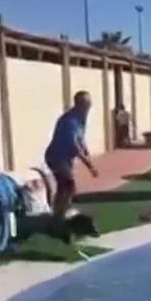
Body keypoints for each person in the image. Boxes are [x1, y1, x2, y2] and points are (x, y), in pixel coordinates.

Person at [44, 91, 99, 222]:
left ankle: (60, 212)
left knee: (64, 186)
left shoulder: (81, 119)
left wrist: (87, 153)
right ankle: (58, 216)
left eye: (89, 103)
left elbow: (81, 140)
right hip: (56, 156)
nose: (89, 106)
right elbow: (74, 145)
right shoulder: (70, 120)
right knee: (68, 185)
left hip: (65, 158)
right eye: (86, 103)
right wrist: (89, 165)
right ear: (79, 104)